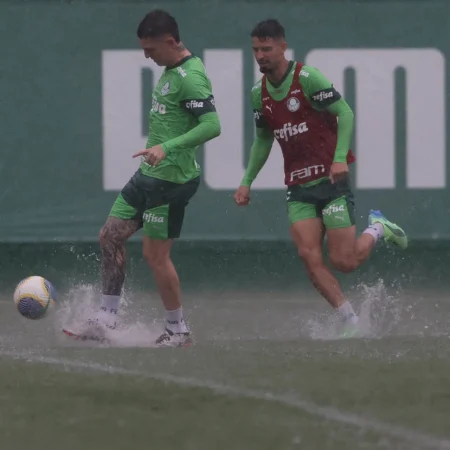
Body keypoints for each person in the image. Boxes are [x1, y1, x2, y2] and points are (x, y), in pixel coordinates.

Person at [233, 19, 407, 338]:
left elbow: (346, 113)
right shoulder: (259, 94)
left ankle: (378, 227)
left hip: (331, 184)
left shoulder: (308, 78)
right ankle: (350, 320)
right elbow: (263, 138)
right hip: (298, 189)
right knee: (308, 256)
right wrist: (246, 181)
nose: (260, 55)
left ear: (283, 47)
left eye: (267, 49)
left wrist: (340, 159)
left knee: (345, 261)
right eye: (256, 49)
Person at [63, 9, 221, 347]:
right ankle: (106, 319)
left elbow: (212, 126)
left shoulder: (190, 77)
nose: (145, 55)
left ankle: (178, 330)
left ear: (170, 42)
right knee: (109, 236)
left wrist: (168, 147)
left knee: (155, 256)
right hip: (148, 175)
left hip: (172, 181)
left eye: (150, 49)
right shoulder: (169, 70)